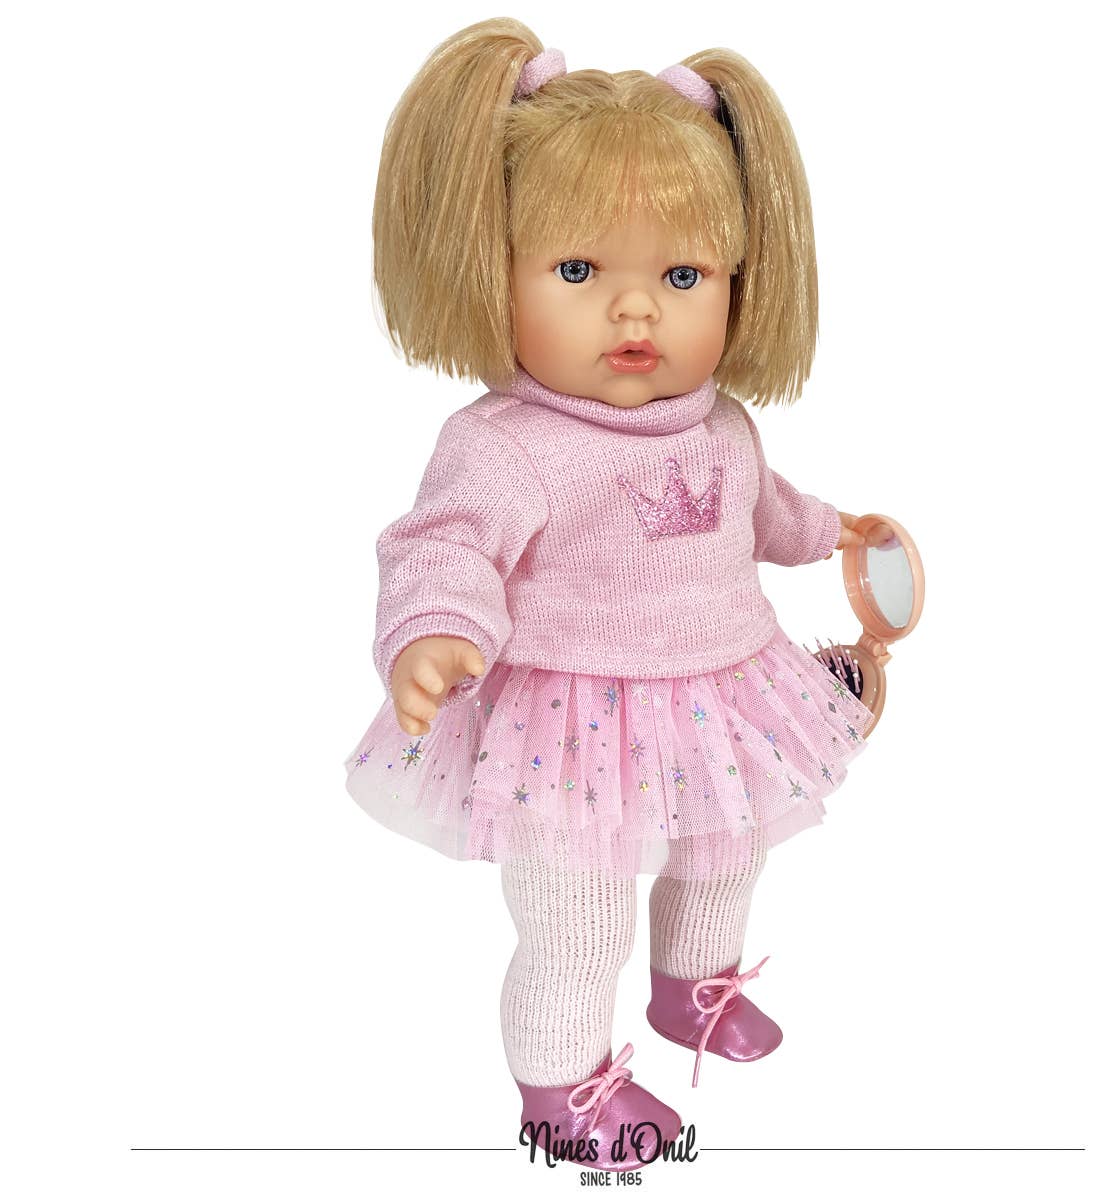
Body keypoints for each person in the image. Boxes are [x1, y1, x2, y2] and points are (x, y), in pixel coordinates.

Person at [343, 18, 874, 1171]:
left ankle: (694, 984)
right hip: (569, 724)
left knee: (728, 851)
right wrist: (435, 632)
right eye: (579, 273)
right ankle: (561, 1087)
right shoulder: (506, 445)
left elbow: (760, 510)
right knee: (577, 919)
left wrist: (838, 534)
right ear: (495, 270)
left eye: (681, 278)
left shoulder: (723, 425)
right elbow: (443, 545)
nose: (637, 315)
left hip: (722, 691)